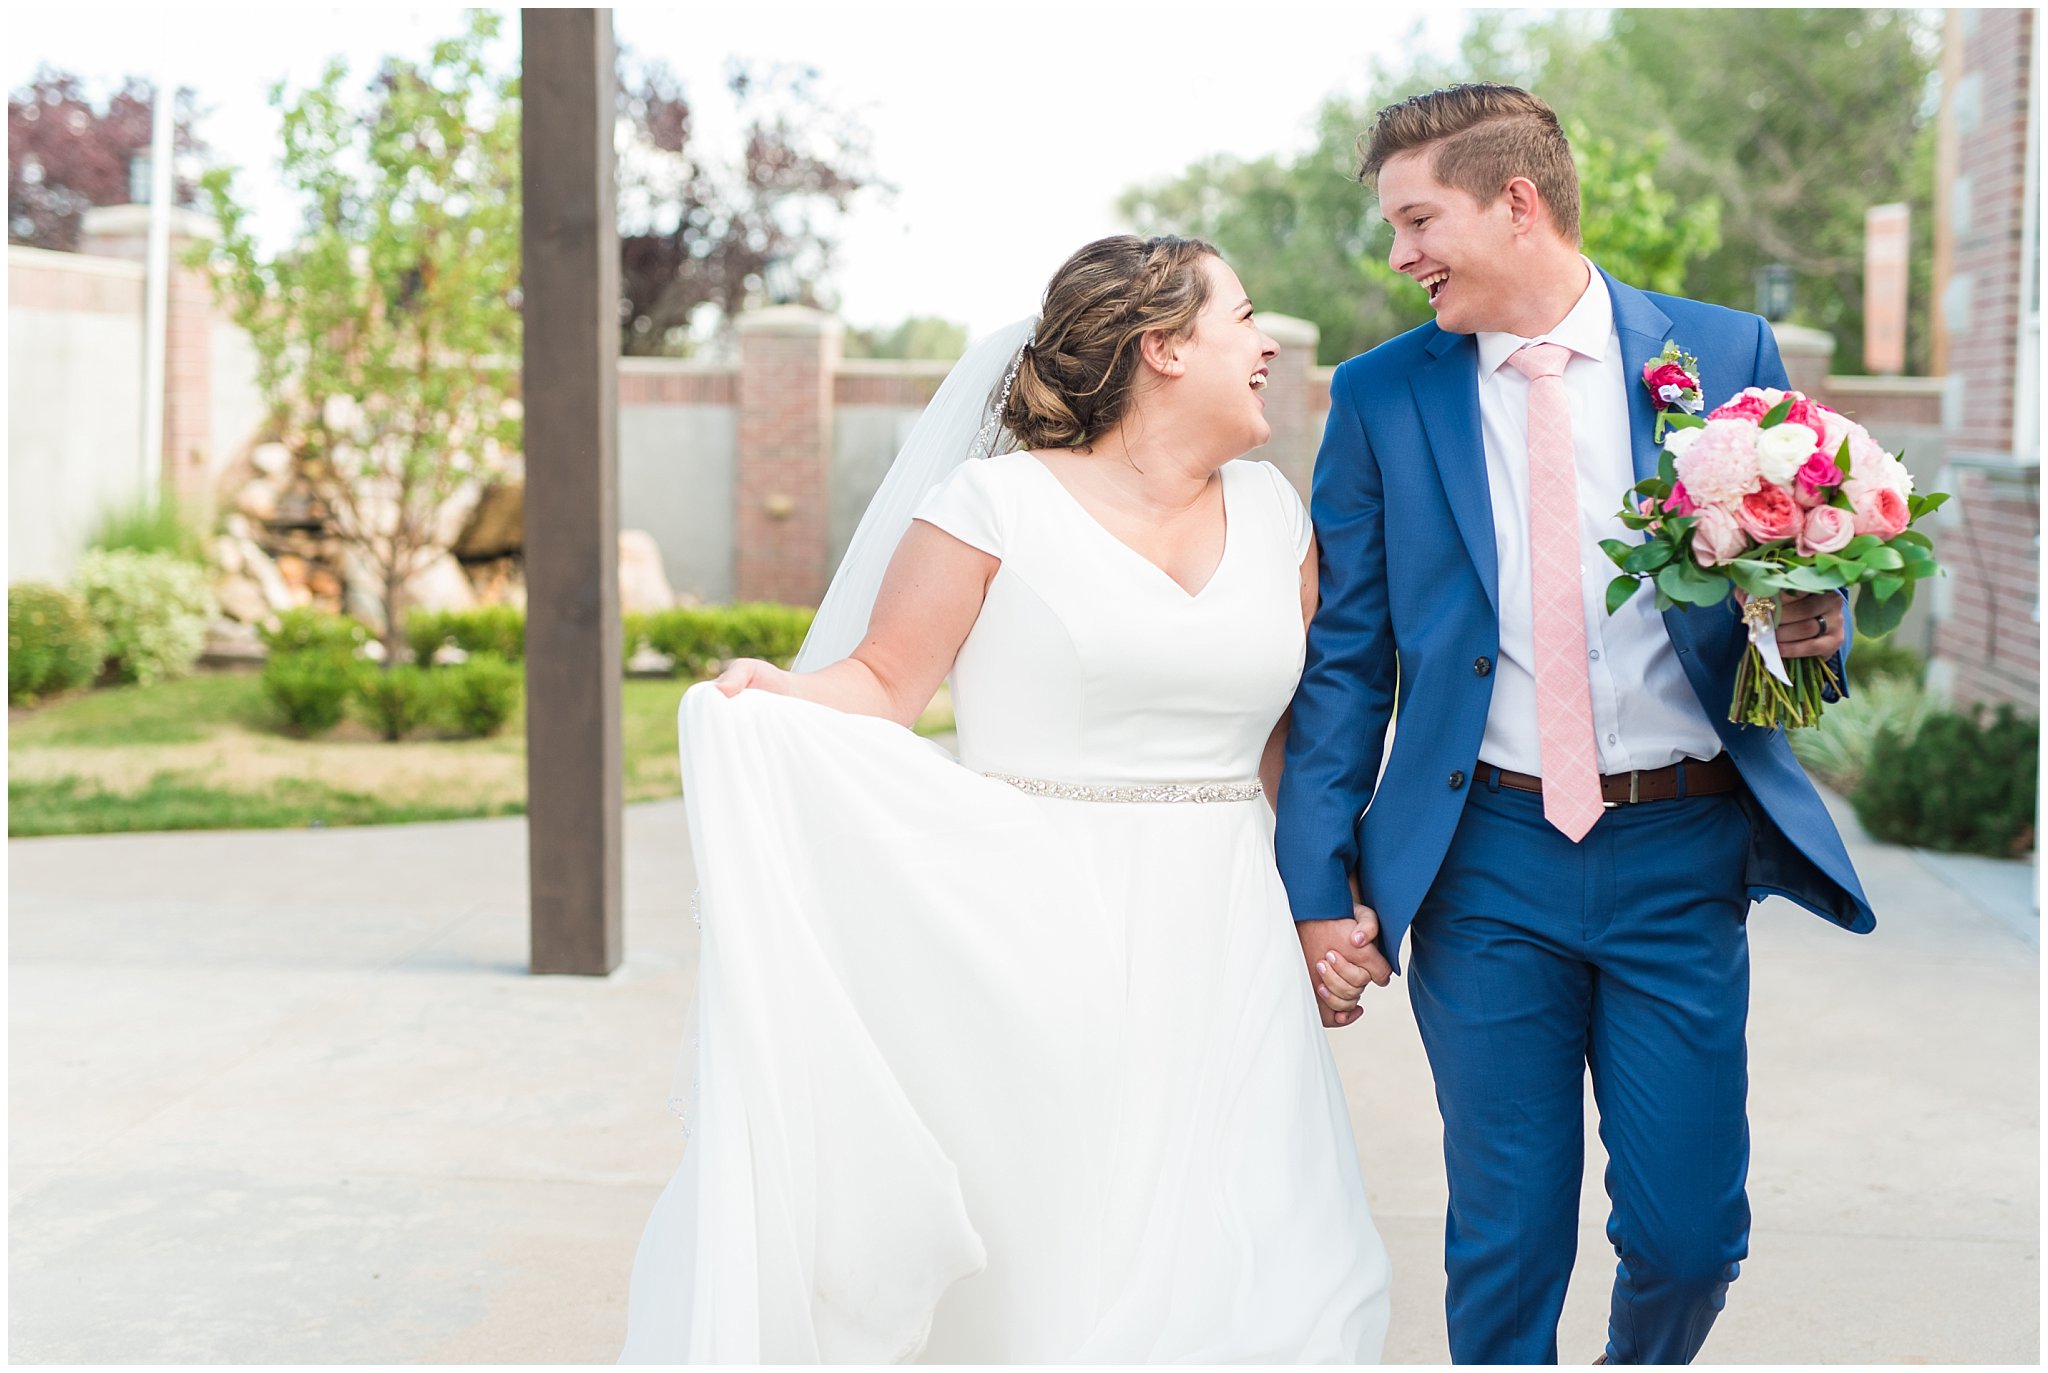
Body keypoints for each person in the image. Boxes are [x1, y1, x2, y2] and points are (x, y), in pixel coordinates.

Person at [620, 235, 1391, 1362]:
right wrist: (772, 692)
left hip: (1225, 939)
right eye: (1243, 317)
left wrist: (1322, 903)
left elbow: (1292, 745)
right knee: (1061, 1254)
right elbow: (884, 683)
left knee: (1280, 1256)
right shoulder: (990, 505)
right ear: (1162, 348)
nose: (1267, 340)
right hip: (1035, 917)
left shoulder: (1276, 514)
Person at [1274, 84, 1875, 1366]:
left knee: (1686, 1236)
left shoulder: (1721, 357)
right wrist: (1317, 882)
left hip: (1680, 849)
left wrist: (1810, 629)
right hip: (1482, 859)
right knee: (1504, 1233)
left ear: (1516, 201)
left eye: (1416, 219)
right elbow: (1344, 661)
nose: (1399, 256)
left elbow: (1787, 610)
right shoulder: (1381, 395)